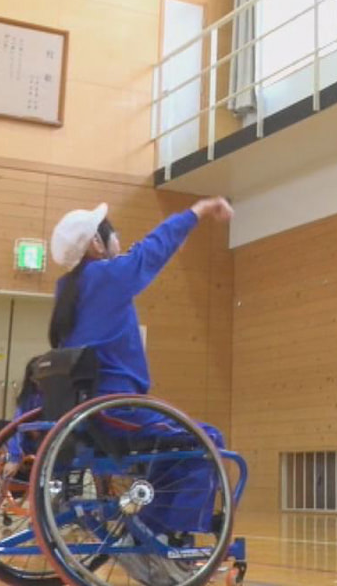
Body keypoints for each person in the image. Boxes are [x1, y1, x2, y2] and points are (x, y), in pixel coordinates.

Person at [47, 195, 235, 535]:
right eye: (113, 233)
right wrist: (198, 211)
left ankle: (153, 527)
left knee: (171, 447)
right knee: (205, 440)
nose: (120, 239)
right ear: (95, 244)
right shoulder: (105, 276)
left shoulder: (68, 290)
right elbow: (154, 248)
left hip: (88, 415)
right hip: (117, 410)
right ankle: (167, 535)